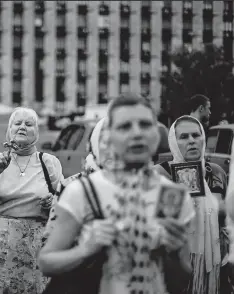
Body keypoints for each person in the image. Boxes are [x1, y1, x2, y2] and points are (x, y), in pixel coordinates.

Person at [39, 93, 195, 294]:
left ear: (157, 135)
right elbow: (46, 263)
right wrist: (85, 249)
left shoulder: (172, 196)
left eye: (146, 125)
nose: (137, 133)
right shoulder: (83, 191)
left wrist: (174, 253)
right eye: (125, 127)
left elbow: (182, 280)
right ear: (109, 137)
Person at [0, 107, 63, 294]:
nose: (22, 127)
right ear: (9, 130)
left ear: (37, 132)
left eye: (29, 124)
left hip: (36, 248)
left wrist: (53, 202)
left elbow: (64, 203)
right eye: (17, 123)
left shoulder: (48, 162)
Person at [154, 115, 228, 294]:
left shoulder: (216, 173)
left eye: (196, 135)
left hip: (215, 264)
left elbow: (226, 219)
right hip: (176, 268)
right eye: (184, 137)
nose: (192, 141)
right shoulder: (159, 175)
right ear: (173, 141)